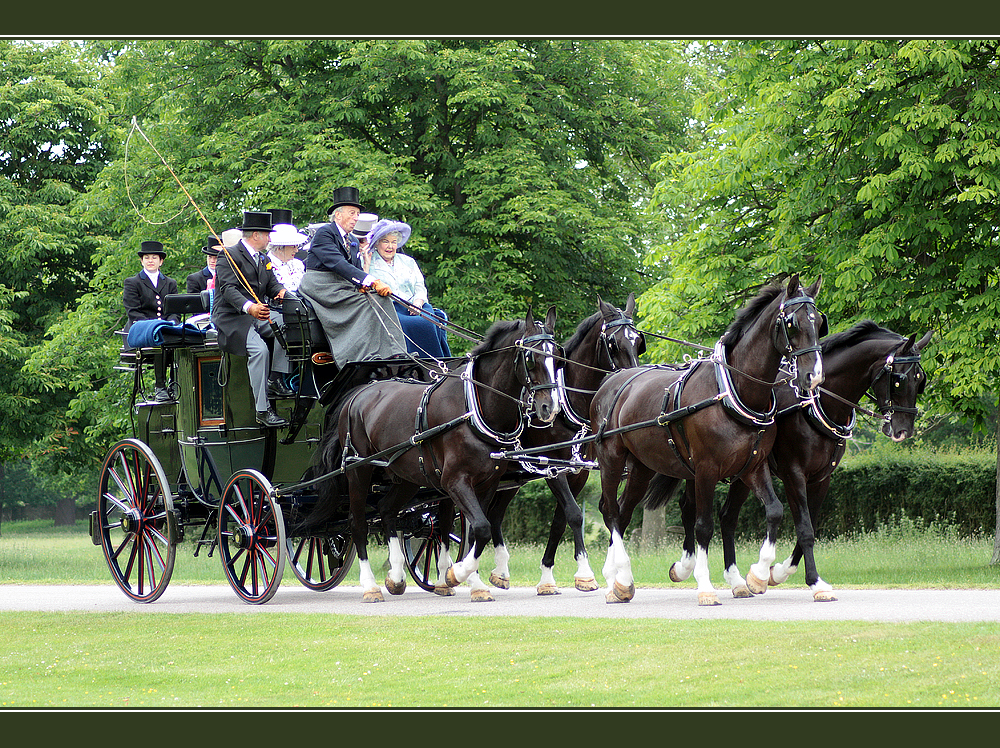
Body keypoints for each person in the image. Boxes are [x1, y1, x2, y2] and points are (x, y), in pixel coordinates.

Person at [298, 187, 405, 367]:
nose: (356, 218)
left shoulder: (353, 240)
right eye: (352, 213)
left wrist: (365, 286)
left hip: (342, 284)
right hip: (321, 286)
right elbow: (338, 263)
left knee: (382, 299)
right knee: (364, 305)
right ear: (338, 215)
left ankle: (395, 353)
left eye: (357, 214)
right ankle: (359, 356)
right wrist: (372, 280)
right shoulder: (325, 233)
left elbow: (353, 269)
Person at [211, 211, 289, 428]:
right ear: (256, 235)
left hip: (259, 313)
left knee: (287, 324)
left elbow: (272, 285)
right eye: (267, 234)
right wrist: (250, 307)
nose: (270, 239)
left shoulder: (263, 259)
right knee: (260, 350)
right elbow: (228, 289)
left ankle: (275, 378)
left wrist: (282, 293)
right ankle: (262, 411)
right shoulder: (228, 255)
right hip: (232, 317)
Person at [365, 219, 452, 359]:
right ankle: (413, 361)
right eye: (385, 241)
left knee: (430, 322)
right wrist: (366, 263)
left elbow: (419, 286)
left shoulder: (408, 261)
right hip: (389, 309)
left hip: (416, 306)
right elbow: (364, 285)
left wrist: (418, 302)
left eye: (394, 242)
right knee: (410, 324)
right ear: (377, 243)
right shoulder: (369, 261)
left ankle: (436, 362)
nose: (390, 246)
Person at [122, 240, 180, 402]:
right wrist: (155, 326)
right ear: (142, 261)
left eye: (154, 257)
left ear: (160, 261)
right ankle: (159, 386)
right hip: (141, 329)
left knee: (181, 337)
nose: (150, 261)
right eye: (147, 257)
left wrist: (172, 323)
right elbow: (133, 312)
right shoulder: (132, 283)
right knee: (159, 339)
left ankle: (174, 382)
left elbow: (174, 310)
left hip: (165, 328)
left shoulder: (170, 283)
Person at [266, 221, 308, 396]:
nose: (297, 249)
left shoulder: (298, 264)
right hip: (274, 309)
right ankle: (276, 377)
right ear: (280, 247)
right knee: (286, 325)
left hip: (300, 306)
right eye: (293, 246)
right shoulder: (266, 263)